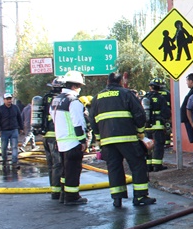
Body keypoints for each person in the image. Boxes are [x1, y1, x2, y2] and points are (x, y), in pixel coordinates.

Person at [89, 72, 156, 208]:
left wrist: (99, 139)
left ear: (107, 82)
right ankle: (140, 196)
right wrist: (140, 133)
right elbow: (139, 114)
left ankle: (117, 198)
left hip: (107, 141)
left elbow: (92, 120)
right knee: (137, 165)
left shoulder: (97, 98)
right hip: (128, 138)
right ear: (120, 82)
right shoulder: (126, 94)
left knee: (114, 168)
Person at [51, 71, 87, 204]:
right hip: (73, 141)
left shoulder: (56, 100)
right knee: (73, 170)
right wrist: (82, 140)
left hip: (60, 141)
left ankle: (63, 194)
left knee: (65, 171)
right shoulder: (74, 101)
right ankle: (72, 197)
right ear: (75, 86)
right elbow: (78, 123)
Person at [40, 78, 65, 199]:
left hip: (46, 136)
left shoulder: (45, 98)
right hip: (55, 135)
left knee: (51, 165)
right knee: (58, 164)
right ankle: (57, 191)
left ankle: (53, 189)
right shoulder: (60, 99)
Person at [145, 77, 170, 172]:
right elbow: (166, 113)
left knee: (148, 146)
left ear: (151, 87)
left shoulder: (146, 97)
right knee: (158, 146)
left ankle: (148, 166)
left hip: (147, 126)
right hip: (158, 126)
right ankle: (157, 165)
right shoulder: (161, 98)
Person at [0, 93, 24, 169]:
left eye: (10, 99)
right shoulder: (0, 109)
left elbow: (19, 118)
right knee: (4, 147)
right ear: (4, 100)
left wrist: (21, 128)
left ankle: (14, 162)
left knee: (14, 147)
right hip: (4, 131)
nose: (9, 101)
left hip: (14, 130)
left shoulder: (15, 108)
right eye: (7, 99)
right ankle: (4, 160)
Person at [180, 73, 193, 164]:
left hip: (192, 119)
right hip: (188, 118)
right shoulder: (192, 91)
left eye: (187, 81)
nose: (187, 83)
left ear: (191, 81)